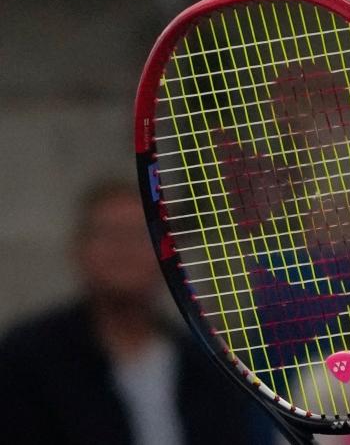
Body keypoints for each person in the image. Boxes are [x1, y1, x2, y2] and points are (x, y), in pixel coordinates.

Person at [0, 178, 271, 445]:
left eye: (140, 235)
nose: (125, 249)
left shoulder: (207, 366)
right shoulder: (26, 359)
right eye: (110, 234)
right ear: (78, 249)